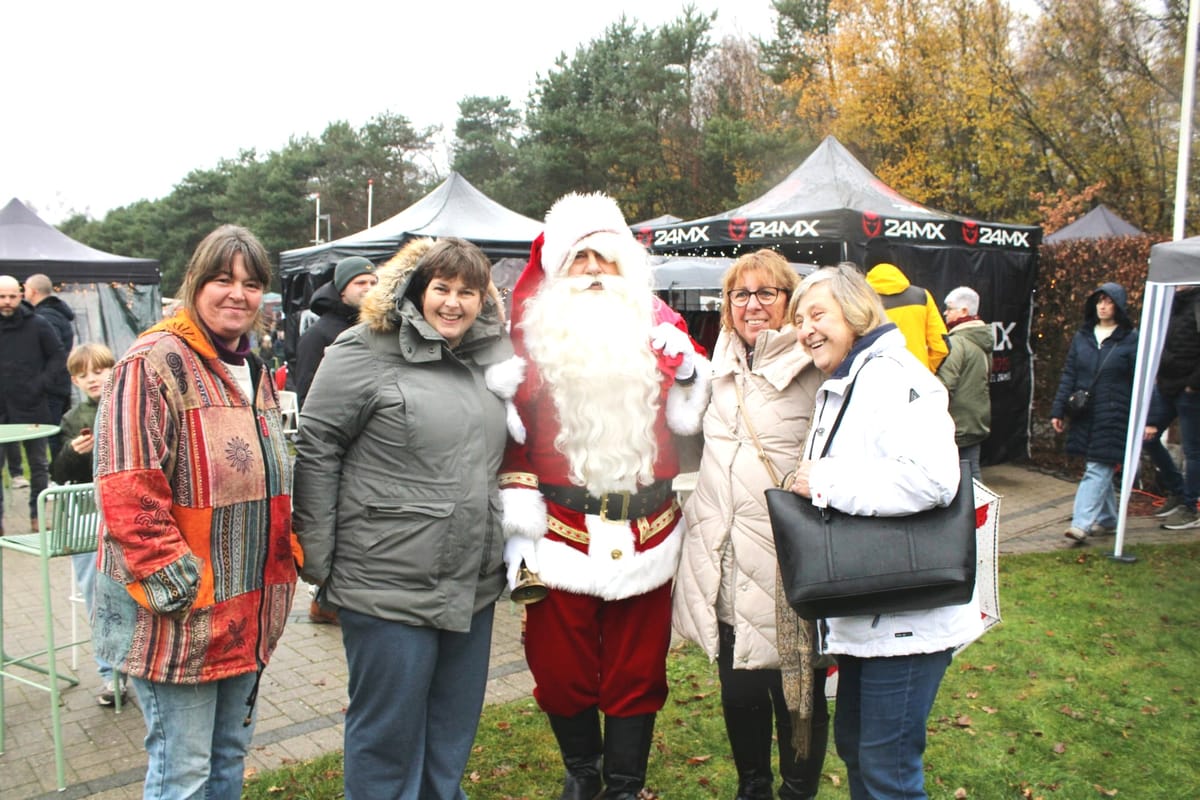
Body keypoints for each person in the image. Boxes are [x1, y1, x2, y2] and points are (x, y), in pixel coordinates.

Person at [497, 192, 710, 800]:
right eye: (579, 257)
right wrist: (518, 524)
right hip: (559, 532)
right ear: (559, 269)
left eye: (604, 257)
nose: (592, 269)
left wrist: (690, 376)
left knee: (638, 669)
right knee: (559, 672)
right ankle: (582, 772)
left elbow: (692, 418)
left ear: (625, 265)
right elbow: (508, 445)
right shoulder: (529, 341)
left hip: (650, 532)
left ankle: (623, 784)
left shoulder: (663, 330)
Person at [293, 236, 511, 800]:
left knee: (450, 727)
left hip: (471, 581)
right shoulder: (362, 348)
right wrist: (320, 561)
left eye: (468, 291)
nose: (454, 303)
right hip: (386, 581)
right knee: (387, 733)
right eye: (442, 288)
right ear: (416, 291)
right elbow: (318, 447)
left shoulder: (491, 356)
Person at [90, 225, 297, 799]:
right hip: (182, 617)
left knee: (228, 758)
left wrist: (288, 551)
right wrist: (174, 583)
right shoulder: (152, 362)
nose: (238, 294)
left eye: (252, 283)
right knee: (182, 773)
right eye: (223, 279)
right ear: (194, 283)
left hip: (248, 607)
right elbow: (128, 485)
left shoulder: (251, 367)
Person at [787, 263, 983, 800]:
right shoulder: (854, 377)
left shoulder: (894, 377)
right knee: (860, 752)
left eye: (818, 314)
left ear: (856, 312)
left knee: (887, 773)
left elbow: (933, 479)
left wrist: (825, 481)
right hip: (873, 613)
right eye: (799, 319)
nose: (806, 329)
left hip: (905, 619)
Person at [672, 250, 828, 800]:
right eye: (741, 294)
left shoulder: (816, 369)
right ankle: (752, 786)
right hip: (726, 556)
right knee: (737, 687)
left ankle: (796, 789)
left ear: (789, 302)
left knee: (796, 691)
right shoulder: (718, 370)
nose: (752, 305)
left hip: (788, 561)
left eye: (767, 293)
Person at [49, 342, 121, 705]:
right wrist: (71, 454)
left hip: (126, 514)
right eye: (82, 374)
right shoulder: (73, 418)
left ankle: (136, 666)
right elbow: (57, 474)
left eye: (99, 370)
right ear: (75, 381)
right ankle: (110, 674)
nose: (92, 379)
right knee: (98, 597)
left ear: (114, 369)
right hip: (88, 520)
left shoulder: (129, 405)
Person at [1050, 282, 1138, 543]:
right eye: (1099, 301)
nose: (1103, 306)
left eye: (1109, 301)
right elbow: (1069, 374)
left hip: (1114, 412)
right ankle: (1108, 519)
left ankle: (1081, 523)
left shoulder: (1131, 339)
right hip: (1085, 412)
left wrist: (1149, 419)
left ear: (1118, 306)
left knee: (1097, 466)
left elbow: (1140, 380)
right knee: (1101, 465)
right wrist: (1059, 410)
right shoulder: (1083, 336)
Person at [0, 273, 66, 533]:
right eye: (1, 297)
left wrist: (41, 384)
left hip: (32, 406)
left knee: (38, 465)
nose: (7, 302)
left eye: (11, 296)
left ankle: (37, 517)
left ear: (21, 295)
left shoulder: (37, 324)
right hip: (1, 409)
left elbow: (58, 355)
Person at [1143, 285, 1200, 530]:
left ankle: (1190, 507)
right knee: (1146, 437)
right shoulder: (1169, 304)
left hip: (1190, 391)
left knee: (1193, 450)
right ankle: (1177, 492)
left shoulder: (1196, 304)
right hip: (1166, 387)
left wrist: (1193, 386)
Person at [294, 255, 378, 408]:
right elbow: (307, 397)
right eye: (360, 283)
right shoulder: (316, 335)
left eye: (373, 282)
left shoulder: (379, 328)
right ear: (342, 290)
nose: (369, 288)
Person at [863, 238, 948, 372]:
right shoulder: (922, 296)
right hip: (918, 381)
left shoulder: (859, 301)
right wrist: (925, 370)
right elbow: (941, 346)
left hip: (879, 381)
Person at [937, 286, 993, 480]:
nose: (945, 312)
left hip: (957, 423)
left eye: (949, 308)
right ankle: (979, 510)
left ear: (964, 311)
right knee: (972, 473)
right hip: (976, 420)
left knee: (953, 477)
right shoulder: (982, 340)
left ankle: (970, 511)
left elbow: (944, 385)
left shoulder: (957, 342)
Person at [25, 272, 76, 453]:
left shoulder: (46, 318)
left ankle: (58, 475)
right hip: (59, 383)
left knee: (51, 434)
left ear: (31, 291)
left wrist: (41, 382)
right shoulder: (57, 313)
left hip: (51, 386)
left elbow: (54, 353)